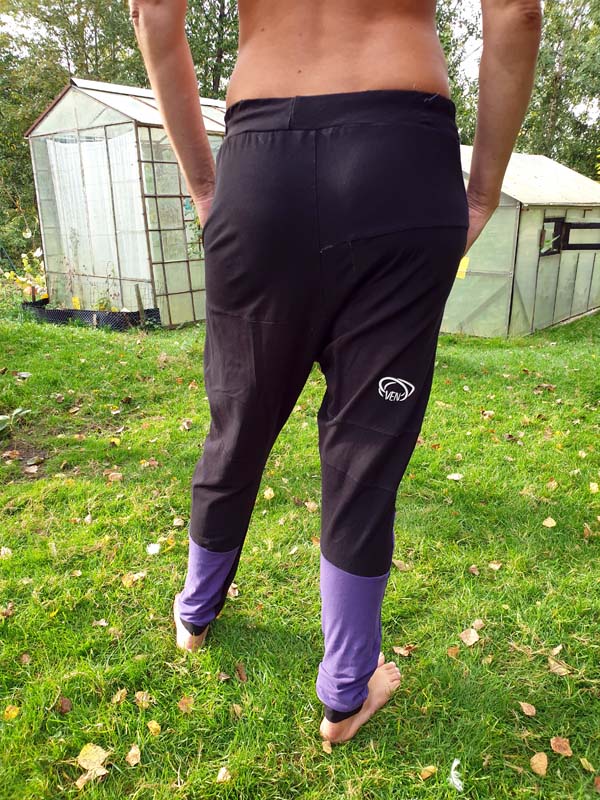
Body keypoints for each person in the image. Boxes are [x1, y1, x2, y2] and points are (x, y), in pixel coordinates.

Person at [130, 0, 542, 744]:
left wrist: (205, 187)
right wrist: (482, 192)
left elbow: (153, 11)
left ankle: (194, 617)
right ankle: (345, 693)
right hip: (402, 161)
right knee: (365, 446)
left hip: (261, 162)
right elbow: (517, 13)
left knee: (238, 418)